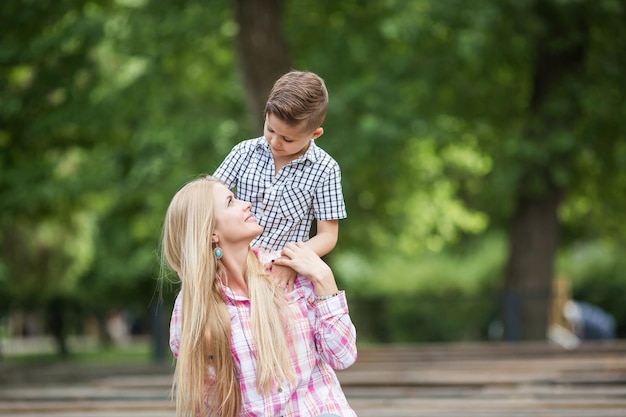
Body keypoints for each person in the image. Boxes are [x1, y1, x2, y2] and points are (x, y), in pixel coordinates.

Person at [161, 176, 358, 417]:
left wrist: (324, 279)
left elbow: (342, 356)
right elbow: (207, 403)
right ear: (212, 233)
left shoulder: (289, 269)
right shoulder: (193, 307)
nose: (247, 203)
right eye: (231, 201)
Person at [213, 70, 347, 285]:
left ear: (315, 134)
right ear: (265, 115)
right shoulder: (243, 152)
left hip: (282, 275)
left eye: (287, 138)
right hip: (232, 266)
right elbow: (208, 199)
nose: (275, 142)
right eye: (270, 129)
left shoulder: (325, 169)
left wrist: (289, 263)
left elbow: (327, 236)